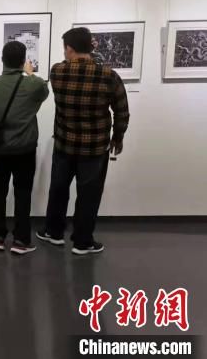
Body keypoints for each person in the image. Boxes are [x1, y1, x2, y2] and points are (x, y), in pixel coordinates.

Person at [37, 27, 130, 255]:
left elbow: (68, 64)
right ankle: (82, 242)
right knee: (89, 195)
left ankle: (54, 232)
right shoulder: (109, 75)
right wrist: (118, 137)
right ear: (91, 46)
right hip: (95, 148)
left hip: (64, 144)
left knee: (58, 190)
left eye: (65, 48)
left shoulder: (58, 72)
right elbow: (122, 111)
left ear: (69, 48)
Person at [0, 41, 50, 255]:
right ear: (23, 61)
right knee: (23, 194)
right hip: (24, 150)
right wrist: (30, 72)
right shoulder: (32, 85)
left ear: (2, 59)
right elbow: (44, 90)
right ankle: (20, 240)